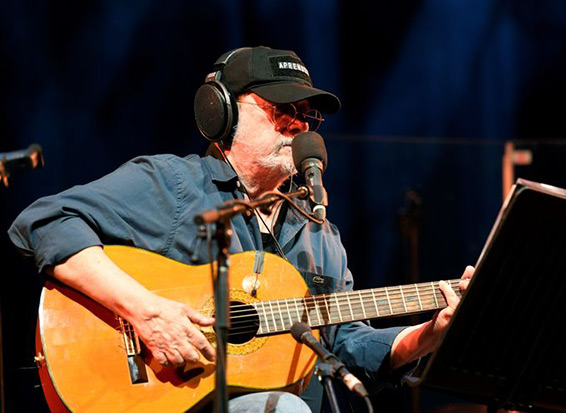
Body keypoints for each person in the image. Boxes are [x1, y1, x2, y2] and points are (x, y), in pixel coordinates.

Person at [8, 46, 473, 412]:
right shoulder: (173, 184)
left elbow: (346, 344)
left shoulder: (320, 233)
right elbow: (42, 221)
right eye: (280, 110)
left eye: (307, 115)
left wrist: (429, 334)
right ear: (220, 113)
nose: (298, 126)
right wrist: (146, 311)